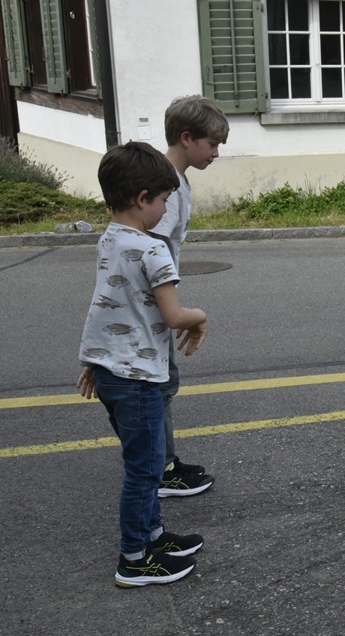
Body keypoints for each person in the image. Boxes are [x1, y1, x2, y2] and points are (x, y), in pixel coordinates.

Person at [75, 142, 209, 587]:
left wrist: (94, 360)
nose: (166, 208)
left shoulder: (109, 239)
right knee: (145, 470)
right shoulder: (153, 249)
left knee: (142, 463)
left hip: (113, 374)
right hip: (138, 378)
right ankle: (134, 557)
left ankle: (153, 535)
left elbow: (106, 305)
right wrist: (200, 316)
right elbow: (173, 316)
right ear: (142, 198)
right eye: (165, 200)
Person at [150, 95, 229, 498]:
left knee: (161, 384)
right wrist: (174, 309)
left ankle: (162, 462)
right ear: (186, 138)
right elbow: (151, 250)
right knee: (160, 385)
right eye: (211, 144)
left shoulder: (171, 179)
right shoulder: (167, 187)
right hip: (152, 308)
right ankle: (162, 471)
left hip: (155, 304)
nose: (215, 153)